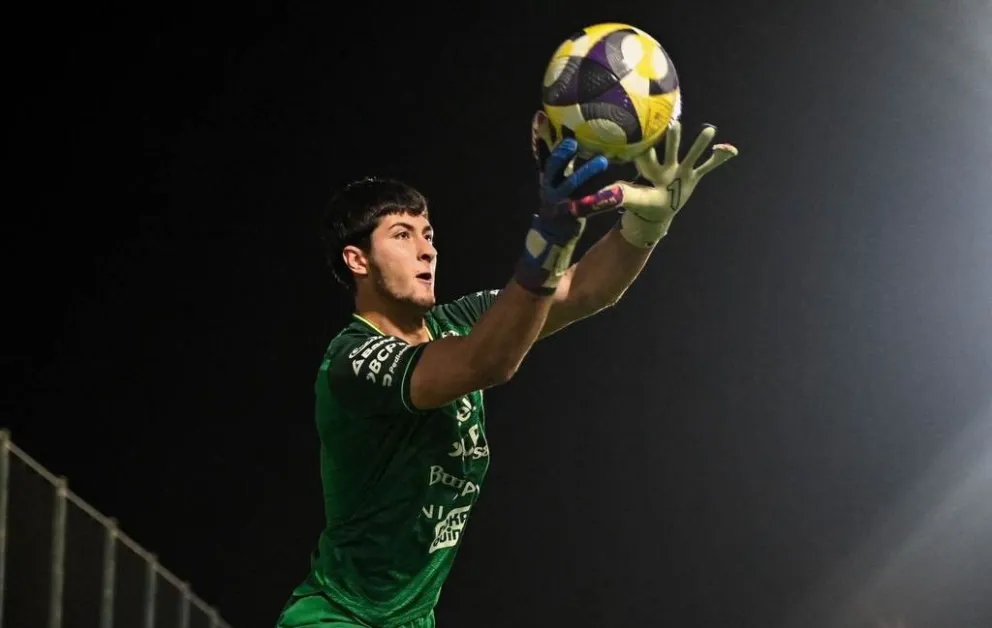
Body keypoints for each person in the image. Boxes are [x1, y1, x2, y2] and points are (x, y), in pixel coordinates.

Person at [275, 112, 739, 628]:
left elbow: (585, 290)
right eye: (402, 235)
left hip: (413, 619)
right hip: (339, 617)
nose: (427, 248)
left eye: (428, 233)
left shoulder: (461, 319)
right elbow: (486, 362)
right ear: (357, 261)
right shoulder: (353, 362)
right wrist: (550, 241)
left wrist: (644, 225)